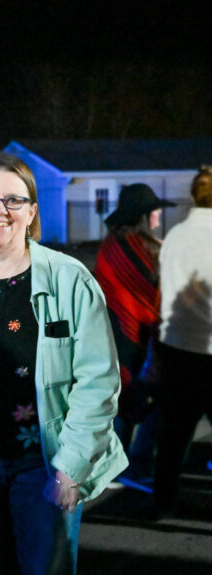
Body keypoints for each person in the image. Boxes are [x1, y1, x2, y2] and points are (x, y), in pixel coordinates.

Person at [0, 153, 127, 575]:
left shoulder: (69, 280)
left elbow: (98, 382)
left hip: (44, 462)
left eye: (14, 200)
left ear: (32, 211)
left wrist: (71, 468)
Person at [93, 183, 175, 488]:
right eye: (153, 211)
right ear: (143, 215)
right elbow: (156, 294)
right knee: (146, 398)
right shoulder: (144, 248)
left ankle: (115, 462)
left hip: (110, 330)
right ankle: (128, 464)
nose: (156, 216)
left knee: (119, 397)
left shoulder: (109, 245)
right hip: (139, 335)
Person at [152, 167, 212, 519]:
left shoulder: (175, 235)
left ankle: (163, 503)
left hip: (176, 346)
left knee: (173, 433)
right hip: (208, 345)